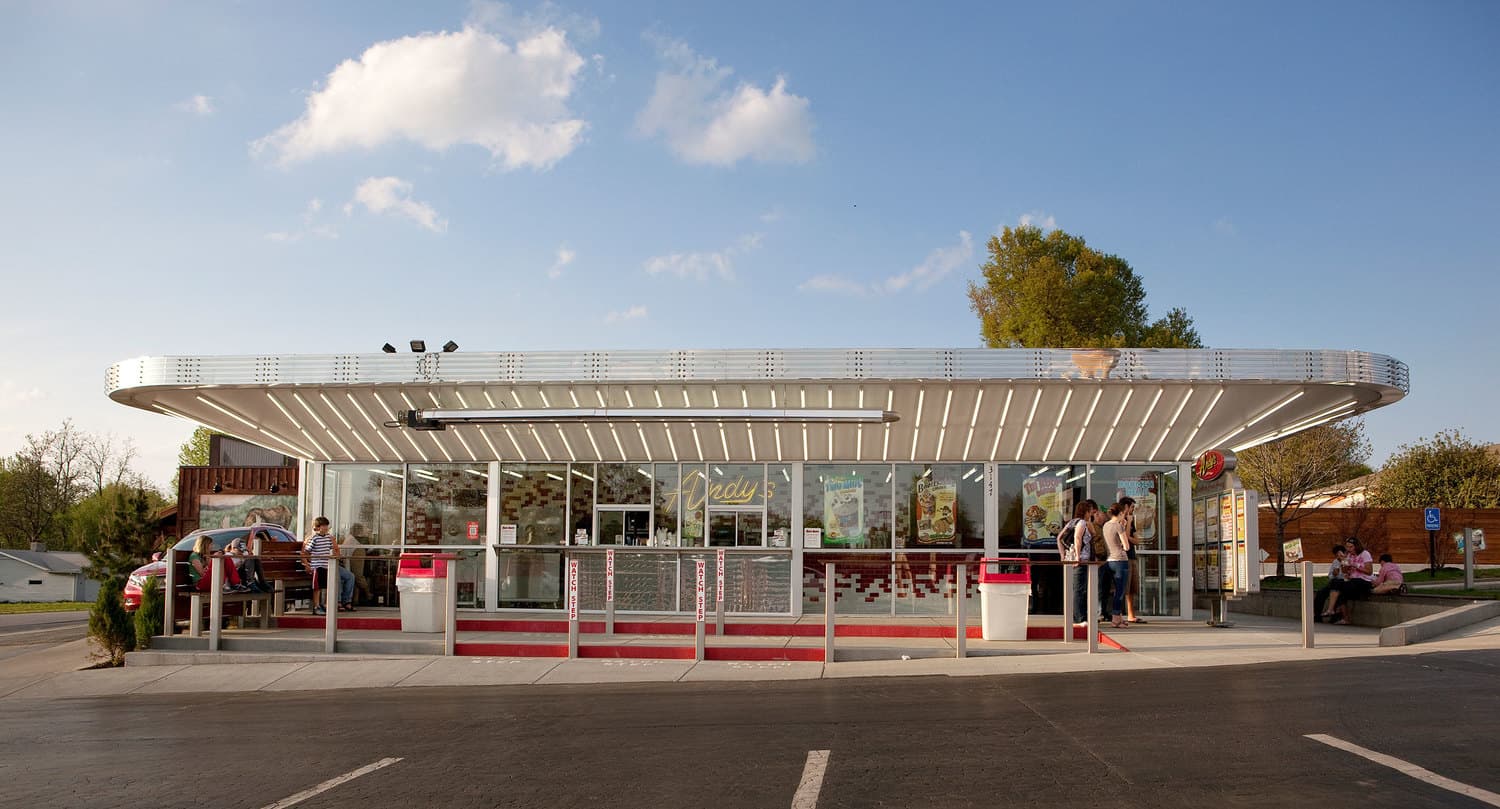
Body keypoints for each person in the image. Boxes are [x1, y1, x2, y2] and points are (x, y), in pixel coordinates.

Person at [1063, 499, 1101, 625]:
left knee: (1079, 588)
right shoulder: (1082, 523)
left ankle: (1081, 616)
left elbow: (1059, 538)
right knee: (1079, 589)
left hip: (1074, 559)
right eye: (1090, 511)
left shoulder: (1072, 522)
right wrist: (1078, 556)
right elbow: (1078, 538)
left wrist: (1063, 555)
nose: (1091, 514)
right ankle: (1079, 618)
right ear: (1086, 511)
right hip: (1081, 560)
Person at [1323, 537, 1374, 625]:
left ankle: (1333, 611)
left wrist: (1354, 564)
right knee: (1336, 584)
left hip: (1363, 581)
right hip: (1352, 580)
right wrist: (1343, 562)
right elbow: (1345, 571)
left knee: (1340, 587)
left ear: (1356, 546)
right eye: (1347, 547)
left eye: (1351, 547)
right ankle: (1337, 613)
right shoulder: (1349, 555)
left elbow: (1369, 571)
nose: (1348, 549)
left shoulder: (1365, 554)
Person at [1102, 500, 1134, 628]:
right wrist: (1124, 526)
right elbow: (1126, 546)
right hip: (1120, 560)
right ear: (1120, 513)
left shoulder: (1105, 525)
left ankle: (1119, 618)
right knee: (1120, 591)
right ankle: (1116, 619)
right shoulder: (1118, 526)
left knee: (1113, 590)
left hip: (1109, 560)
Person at [302, 517, 337, 615]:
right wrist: (307, 564)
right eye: (323, 526)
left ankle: (324, 605)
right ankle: (316, 606)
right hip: (317, 566)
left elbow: (332, 549)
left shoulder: (328, 538)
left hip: (326, 566)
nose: (326, 528)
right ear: (318, 527)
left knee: (325, 586)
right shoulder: (314, 538)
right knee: (317, 587)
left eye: (326, 526)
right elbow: (307, 551)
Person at [1314, 545, 1347, 618]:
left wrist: (1343, 562)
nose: (1339, 557)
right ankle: (1317, 614)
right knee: (1321, 592)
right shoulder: (1335, 562)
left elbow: (1347, 575)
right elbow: (1330, 575)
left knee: (1336, 588)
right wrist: (1334, 574)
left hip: (1343, 582)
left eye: (1340, 554)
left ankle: (1332, 612)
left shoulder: (1347, 561)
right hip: (1335, 581)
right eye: (1337, 555)